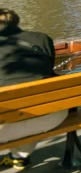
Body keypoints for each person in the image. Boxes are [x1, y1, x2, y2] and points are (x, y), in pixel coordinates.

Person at [0, 9, 64, 171]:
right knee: (28, 103)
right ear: (16, 22)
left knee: (15, 111)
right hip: (54, 116)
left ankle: (19, 157)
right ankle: (20, 157)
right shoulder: (42, 39)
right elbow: (48, 71)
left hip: (7, 126)